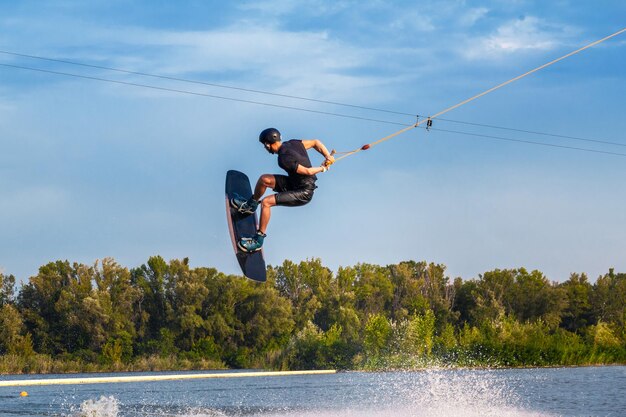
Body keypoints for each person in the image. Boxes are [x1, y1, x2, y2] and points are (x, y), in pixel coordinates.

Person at [231, 127, 335, 252]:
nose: (265, 148)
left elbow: (307, 171)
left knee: (266, 202)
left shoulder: (283, 159)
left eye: (265, 145)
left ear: (267, 144)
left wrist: (322, 168)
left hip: (304, 192)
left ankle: (258, 241)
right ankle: (251, 205)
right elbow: (315, 142)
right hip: (294, 183)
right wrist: (327, 156)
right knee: (264, 179)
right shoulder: (293, 143)